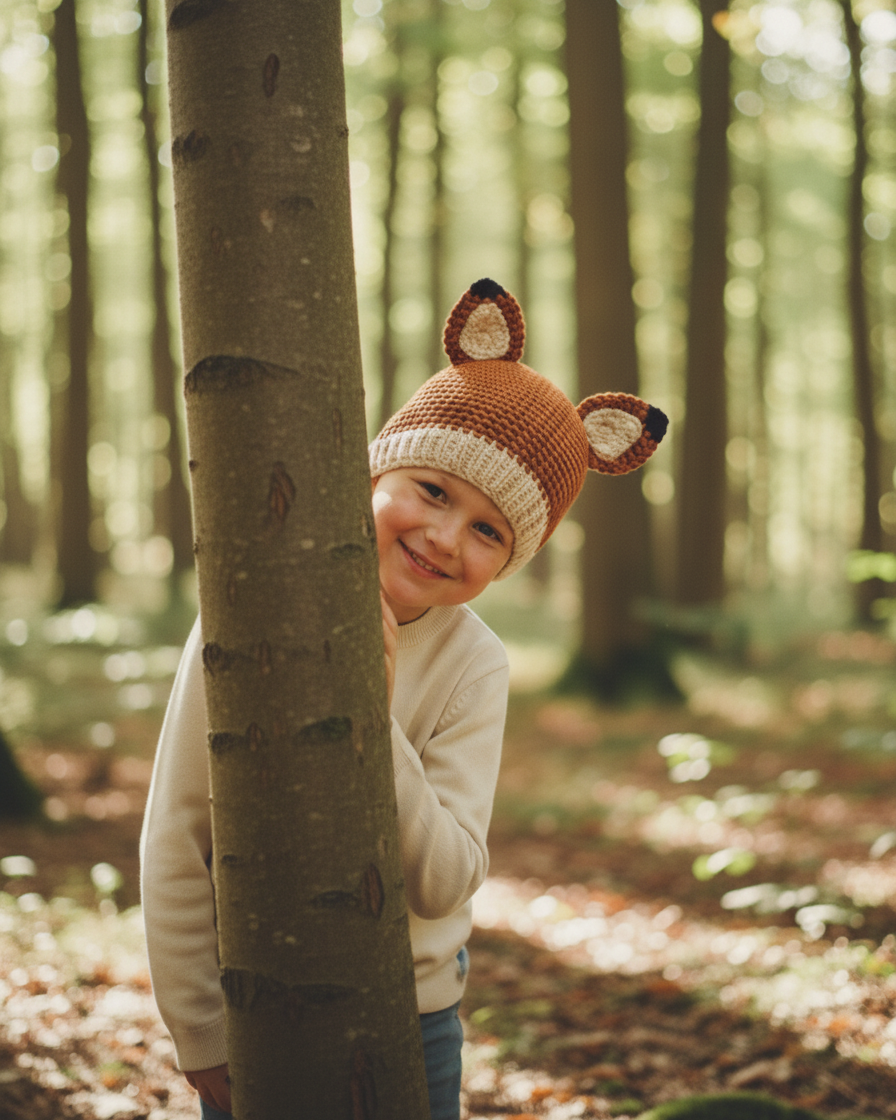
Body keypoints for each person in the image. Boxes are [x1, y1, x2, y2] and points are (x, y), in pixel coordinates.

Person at [139, 278, 668, 1120]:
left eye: (489, 531)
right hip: (258, 1007)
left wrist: (373, 718)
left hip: (415, 1018)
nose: (445, 537)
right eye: (432, 491)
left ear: (509, 561)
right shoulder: (248, 612)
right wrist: (199, 1034)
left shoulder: (474, 665)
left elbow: (447, 878)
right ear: (376, 469)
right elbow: (175, 832)